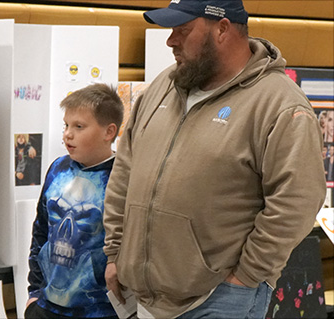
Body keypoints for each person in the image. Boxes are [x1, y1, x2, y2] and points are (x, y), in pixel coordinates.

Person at [102, 1, 327, 318]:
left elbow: (297, 200)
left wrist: (247, 277)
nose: (170, 41)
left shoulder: (280, 104)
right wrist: (115, 253)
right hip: (144, 299)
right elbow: (124, 172)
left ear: (222, 28)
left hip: (220, 300)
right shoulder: (163, 88)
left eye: (183, 29)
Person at [26, 83, 124, 319]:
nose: (68, 134)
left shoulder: (122, 178)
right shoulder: (58, 169)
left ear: (109, 132)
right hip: (47, 306)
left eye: (79, 126)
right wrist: (34, 292)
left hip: (99, 311)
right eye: (66, 125)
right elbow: (40, 232)